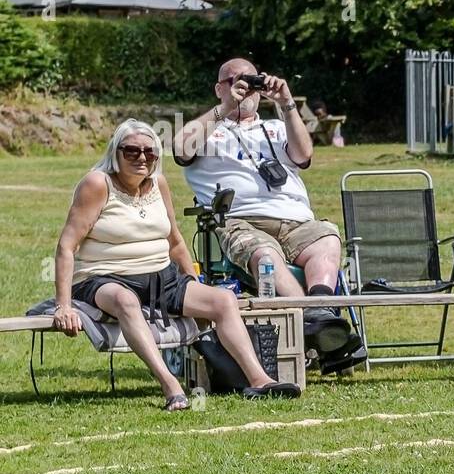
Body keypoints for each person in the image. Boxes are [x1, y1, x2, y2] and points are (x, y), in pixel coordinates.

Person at [52, 120, 301, 408]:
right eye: (131, 151)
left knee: (223, 301)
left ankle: (260, 380)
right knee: (126, 301)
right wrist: (64, 305)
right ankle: (171, 386)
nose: (142, 158)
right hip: (104, 277)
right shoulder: (97, 184)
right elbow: (66, 246)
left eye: (150, 152)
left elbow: (176, 241)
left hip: (161, 276)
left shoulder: (158, 183)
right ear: (115, 153)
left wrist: (191, 281)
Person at [174, 59, 364, 374]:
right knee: (265, 255)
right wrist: (225, 107)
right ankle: (320, 324)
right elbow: (180, 148)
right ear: (218, 88)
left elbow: (304, 155)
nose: (243, 86)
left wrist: (287, 103)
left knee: (328, 238)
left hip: (296, 222)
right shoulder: (210, 128)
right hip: (241, 221)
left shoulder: (276, 127)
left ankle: (319, 316)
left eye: (250, 80)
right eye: (233, 80)